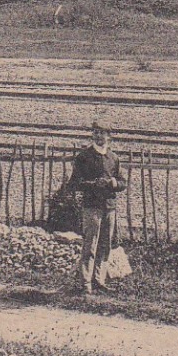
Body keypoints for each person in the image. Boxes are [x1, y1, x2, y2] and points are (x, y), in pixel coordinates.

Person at [65, 121, 126, 294]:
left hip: (109, 207)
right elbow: (74, 183)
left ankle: (99, 279)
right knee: (90, 245)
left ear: (109, 137)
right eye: (96, 132)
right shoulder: (84, 157)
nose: (99, 136)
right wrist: (94, 184)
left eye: (103, 133)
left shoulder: (113, 158)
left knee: (105, 245)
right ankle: (85, 283)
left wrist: (114, 182)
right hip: (91, 207)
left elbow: (123, 182)